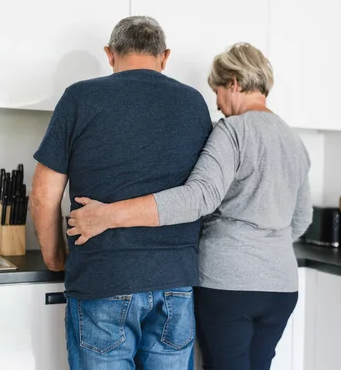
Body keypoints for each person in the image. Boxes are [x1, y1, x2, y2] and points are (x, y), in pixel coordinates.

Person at [66, 42, 313, 370]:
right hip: (282, 287)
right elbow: (301, 219)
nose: (219, 104)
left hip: (230, 284)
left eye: (218, 91)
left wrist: (107, 215)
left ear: (234, 84)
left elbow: (198, 197)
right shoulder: (294, 141)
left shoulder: (234, 130)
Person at [30, 16, 212, 369]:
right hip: (176, 282)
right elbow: (199, 193)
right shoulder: (194, 104)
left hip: (103, 278)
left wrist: (56, 261)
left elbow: (42, 196)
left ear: (110, 54)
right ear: (165, 56)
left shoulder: (80, 97)